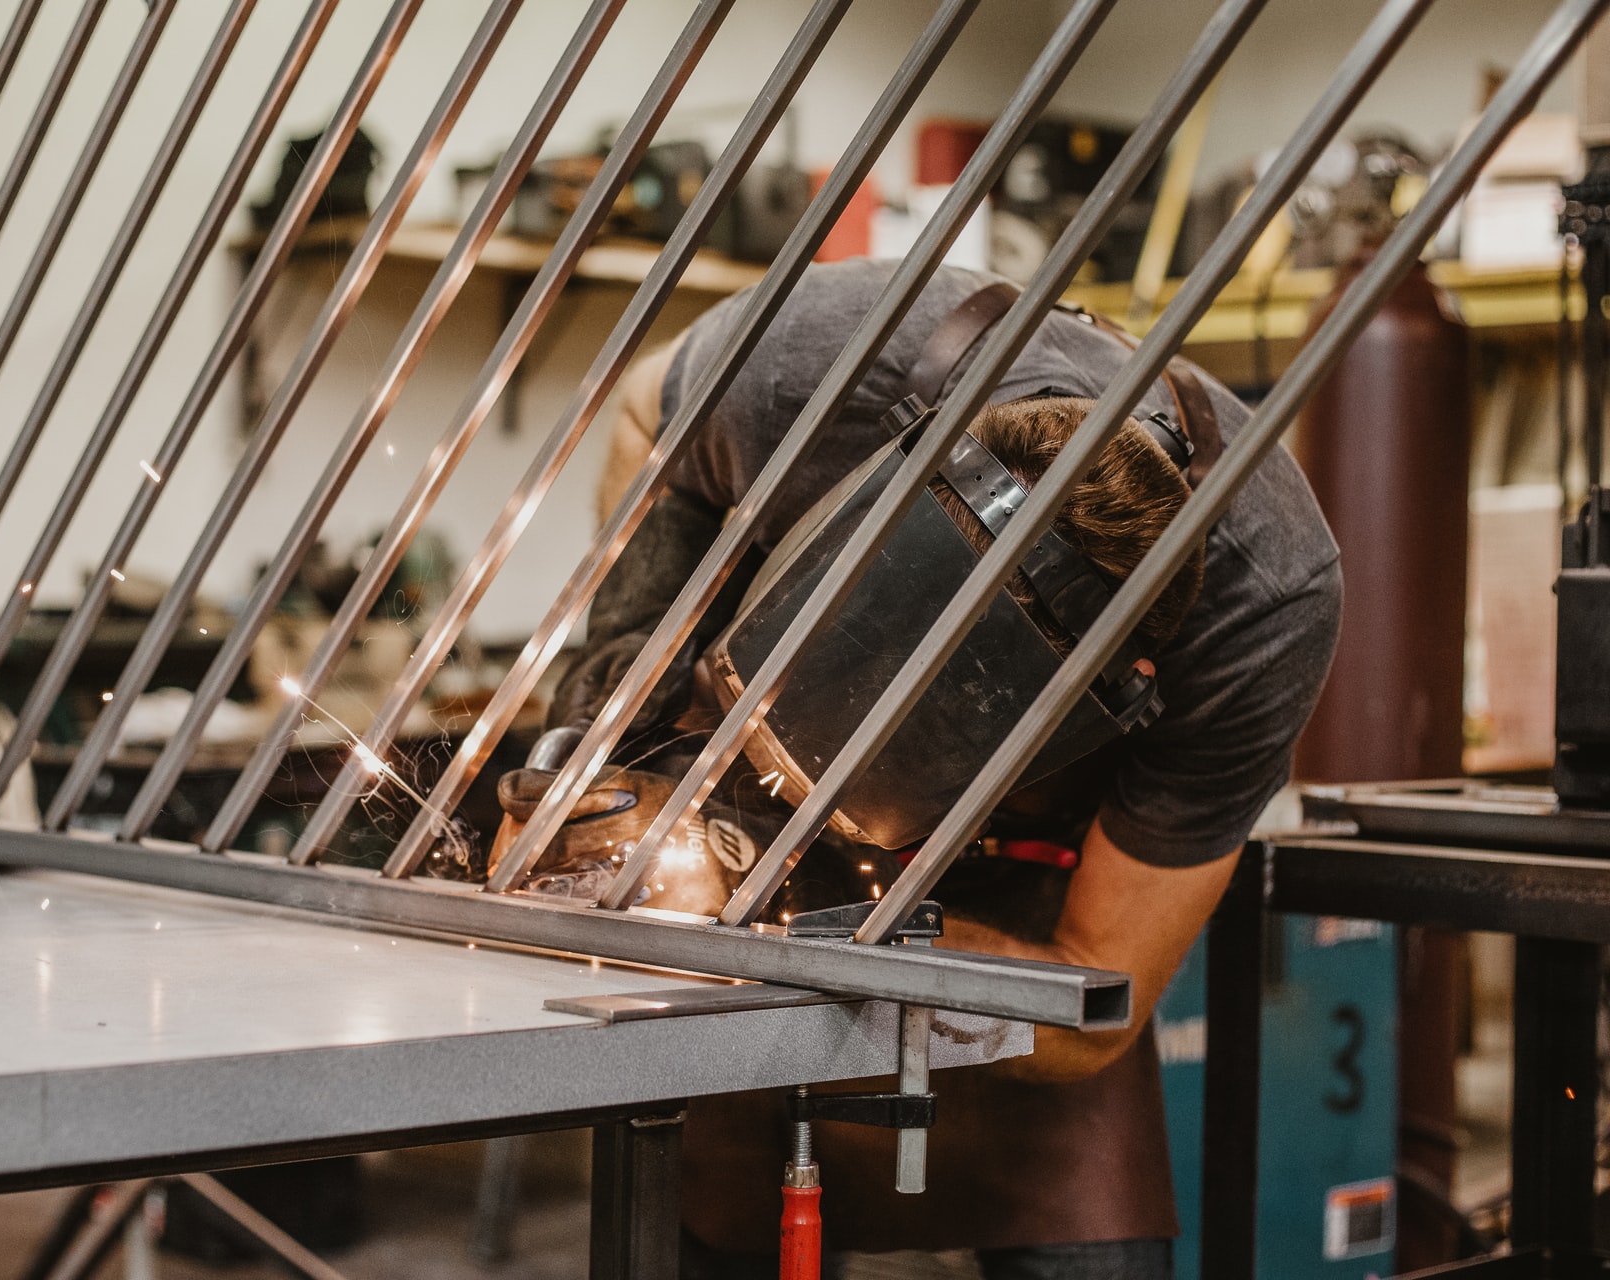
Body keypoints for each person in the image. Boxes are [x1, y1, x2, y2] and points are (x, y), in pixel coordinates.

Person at [497, 259, 1343, 1280]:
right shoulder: (821, 367)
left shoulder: (1265, 613)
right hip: (747, 856)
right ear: (898, 474)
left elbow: (1090, 1005)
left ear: (1130, 677)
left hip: (1024, 913)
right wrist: (619, 697)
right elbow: (646, 413)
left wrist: (807, 923)